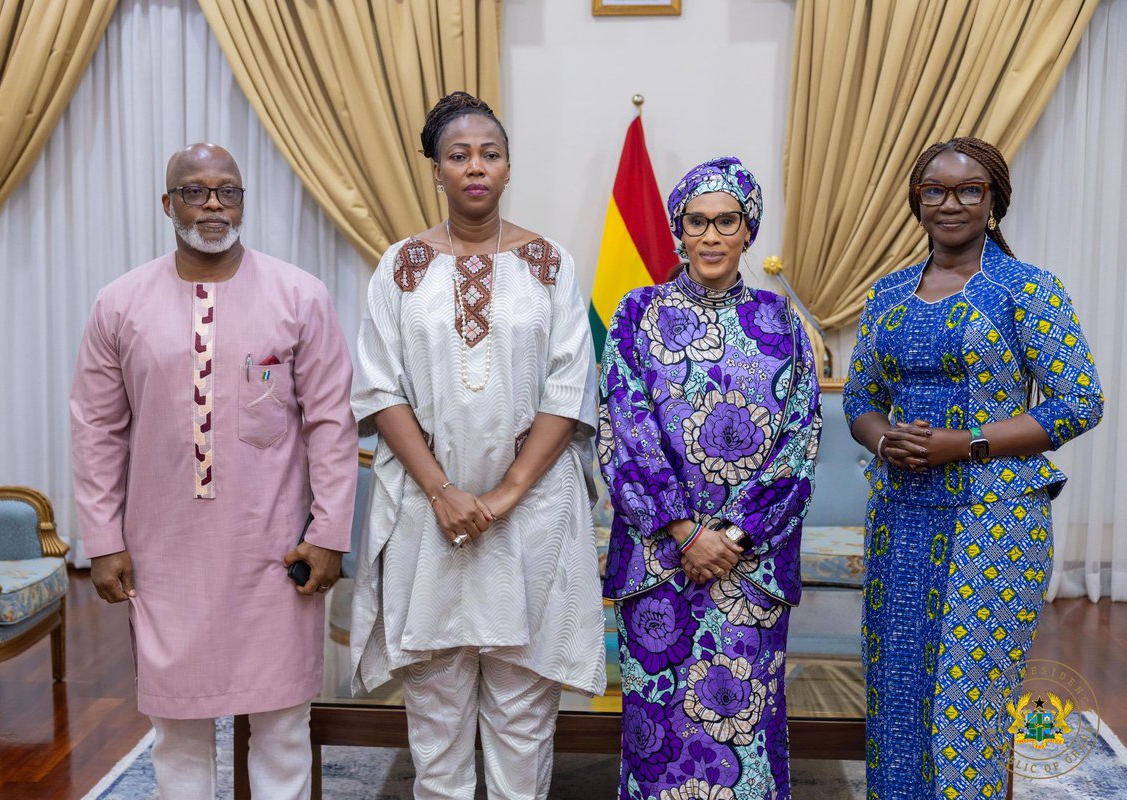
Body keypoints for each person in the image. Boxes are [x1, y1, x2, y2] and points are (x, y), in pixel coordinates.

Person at [70, 143, 358, 800]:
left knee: (283, 724)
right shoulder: (120, 304)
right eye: (194, 191)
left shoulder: (298, 296)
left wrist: (330, 532)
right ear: (167, 204)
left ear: (243, 202)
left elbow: (331, 424)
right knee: (177, 729)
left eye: (227, 191)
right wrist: (104, 542)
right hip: (164, 554)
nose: (212, 205)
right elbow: (95, 429)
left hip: (274, 548)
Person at [349, 92, 606, 799]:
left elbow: (568, 388)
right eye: (458, 155)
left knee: (524, 726)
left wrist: (502, 496)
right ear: (435, 169)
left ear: (508, 166)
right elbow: (379, 389)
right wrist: (444, 491)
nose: (475, 167)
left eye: (489, 154)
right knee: (435, 725)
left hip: (530, 515)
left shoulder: (550, 263)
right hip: (426, 520)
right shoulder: (400, 266)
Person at [844, 136, 1104, 800]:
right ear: (917, 201)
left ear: (993, 201)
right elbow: (860, 400)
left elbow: (1080, 401)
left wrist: (967, 444)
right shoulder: (889, 293)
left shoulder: (1027, 289)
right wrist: (883, 442)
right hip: (899, 515)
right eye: (935, 190)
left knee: (969, 701)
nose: (950, 203)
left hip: (997, 520)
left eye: (968, 190)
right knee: (897, 688)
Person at [599, 156, 821, 800]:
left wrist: (734, 537)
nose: (712, 236)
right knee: (657, 734)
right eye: (697, 222)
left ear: (748, 229)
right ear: (679, 231)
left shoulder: (782, 323)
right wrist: (685, 531)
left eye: (727, 221)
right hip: (659, 558)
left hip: (748, 565)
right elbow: (625, 427)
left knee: (744, 731)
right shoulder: (637, 313)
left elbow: (801, 442)